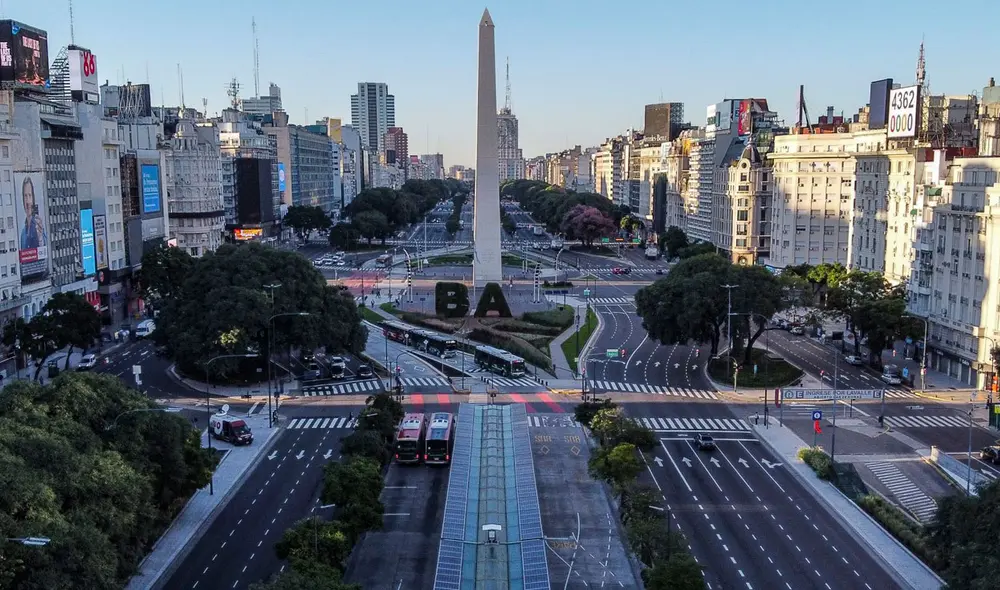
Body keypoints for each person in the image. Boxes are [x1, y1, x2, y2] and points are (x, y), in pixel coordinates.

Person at [19, 177, 47, 251]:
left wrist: (40, 238)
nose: (28, 201)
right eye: (25, 196)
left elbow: (45, 249)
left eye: (30, 195)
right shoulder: (22, 234)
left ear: (33, 198)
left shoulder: (38, 225)